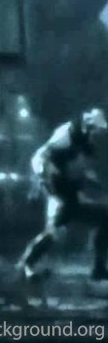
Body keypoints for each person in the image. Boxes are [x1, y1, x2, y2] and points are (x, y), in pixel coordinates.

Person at [18, 107, 108, 281]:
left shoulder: (82, 140)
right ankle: (27, 265)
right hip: (56, 184)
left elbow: (84, 171)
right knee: (55, 230)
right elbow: (46, 163)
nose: (98, 135)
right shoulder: (65, 137)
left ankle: (99, 268)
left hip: (67, 189)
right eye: (96, 130)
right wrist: (44, 184)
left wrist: (91, 185)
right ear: (89, 127)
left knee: (105, 219)